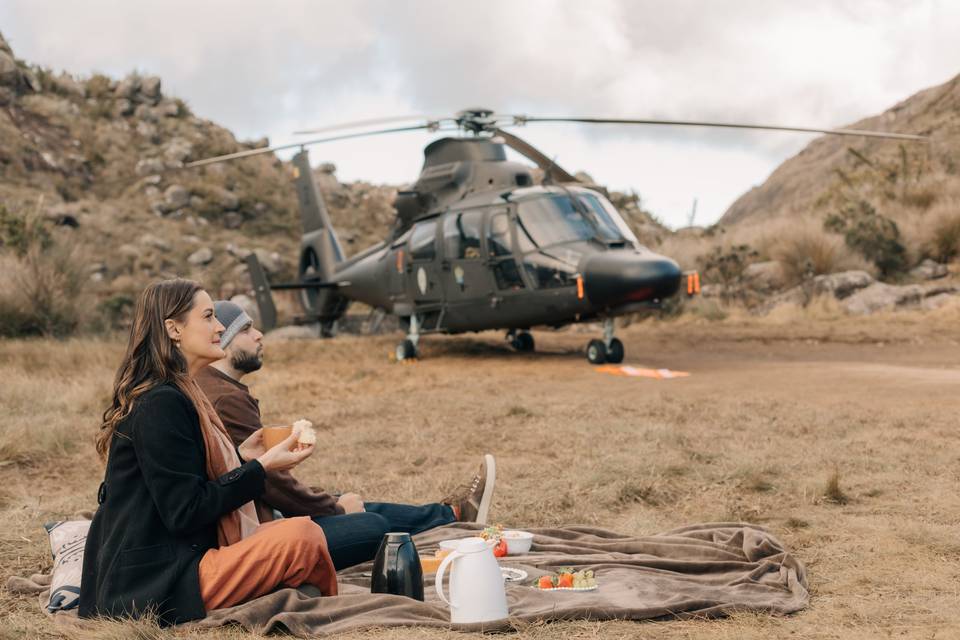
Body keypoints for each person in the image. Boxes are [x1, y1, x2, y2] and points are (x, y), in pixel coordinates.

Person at [79, 280, 338, 626]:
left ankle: (308, 599)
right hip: (154, 583)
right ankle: (322, 609)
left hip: (180, 559)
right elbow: (185, 511)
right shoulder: (161, 403)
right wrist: (260, 469)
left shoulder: (179, 393)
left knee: (300, 536)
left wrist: (242, 458)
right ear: (173, 329)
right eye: (209, 317)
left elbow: (187, 482)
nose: (219, 328)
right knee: (303, 538)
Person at [196, 300, 496, 570]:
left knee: (353, 504)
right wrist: (336, 509)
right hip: (257, 530)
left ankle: (450, 514)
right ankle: (452, 515)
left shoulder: (216, 388)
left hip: (254, 517)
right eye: (247, 329)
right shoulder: (225, 398)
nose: (259, 335)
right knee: (367, 520)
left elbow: (254, 473)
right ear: (222, 340)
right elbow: (269, 484)